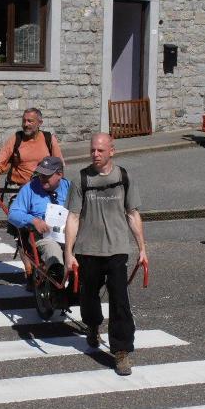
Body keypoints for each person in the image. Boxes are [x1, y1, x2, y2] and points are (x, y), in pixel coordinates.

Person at [64, 133, 148, 376]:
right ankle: (92, 325)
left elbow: (132, 214)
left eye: (100, 150)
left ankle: (121, 352)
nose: (95, 154)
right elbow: (73, 217)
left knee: (120, 300)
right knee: (88, 296)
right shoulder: (81, 179)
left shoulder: (123, 177)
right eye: (92, 150)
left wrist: (142, 248)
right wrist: (68, 252)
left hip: (117, 249)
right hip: (88, 249)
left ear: (112, 151)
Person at [0, 108, 63, 288]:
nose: (26, 124)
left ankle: (54, 263)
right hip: (20, 188)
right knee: (21, 232)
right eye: (24, 120)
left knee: (54, 226)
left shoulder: (48, 139)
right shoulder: (16, 139)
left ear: (39, 123)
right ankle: (29, 272)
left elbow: (60, 164)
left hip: (45, 190)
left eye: (30, 121)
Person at [8, 156, 69, 283]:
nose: (42, 178)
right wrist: (33, 220)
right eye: (40, 174)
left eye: (46, 175)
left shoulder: (70, 188)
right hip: (43, 236)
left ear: (60, 174)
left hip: (67, 233)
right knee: (53, 249)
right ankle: (56, 278)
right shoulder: (29, 188)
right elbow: (13, 214)